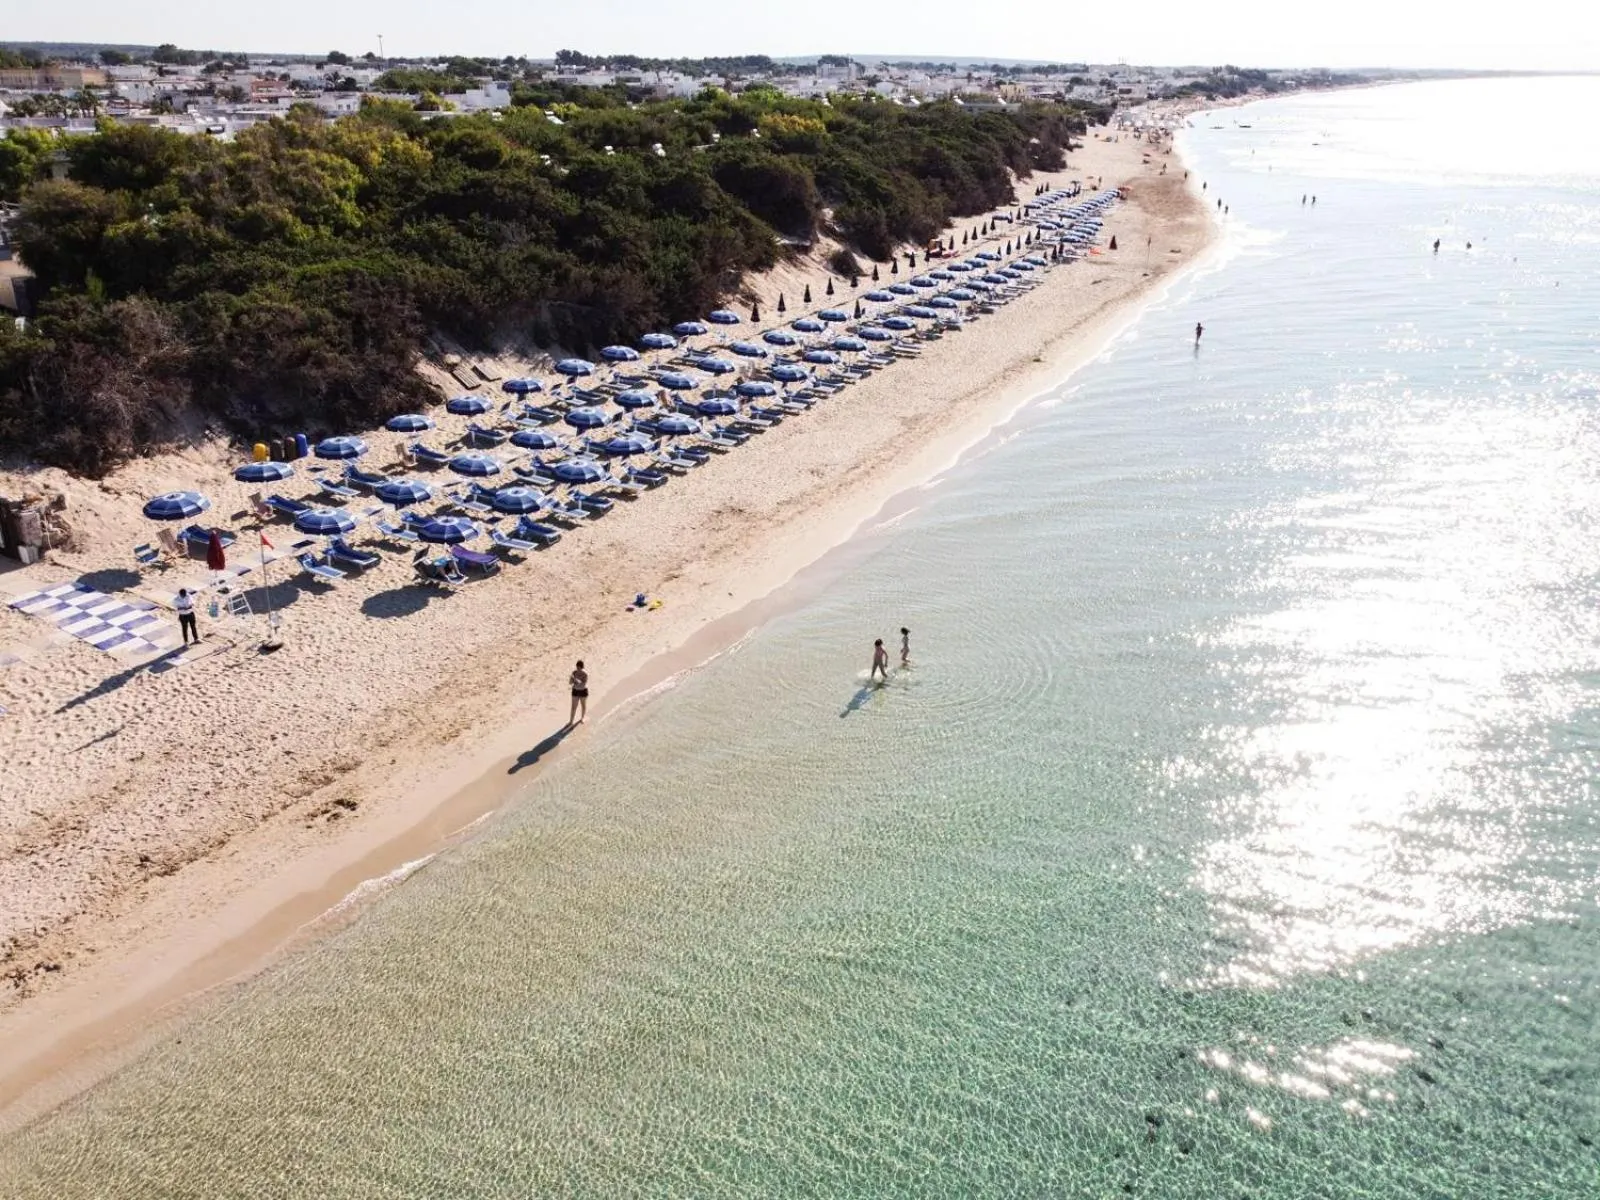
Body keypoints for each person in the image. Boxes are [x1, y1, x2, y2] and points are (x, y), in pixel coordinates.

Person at [568, 660, 589, 726]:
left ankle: (582, 718)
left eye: (580, 668)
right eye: (577, 668)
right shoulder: (574, 672)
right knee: (573, 707)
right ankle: (571, 721)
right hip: (575, 691)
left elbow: (583, 684)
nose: (578, 669)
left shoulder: (585, 674)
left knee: (583, 705)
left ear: (582, 667)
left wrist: (576, 680)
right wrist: (571, 679)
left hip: (583, 691)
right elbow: (570, 683)